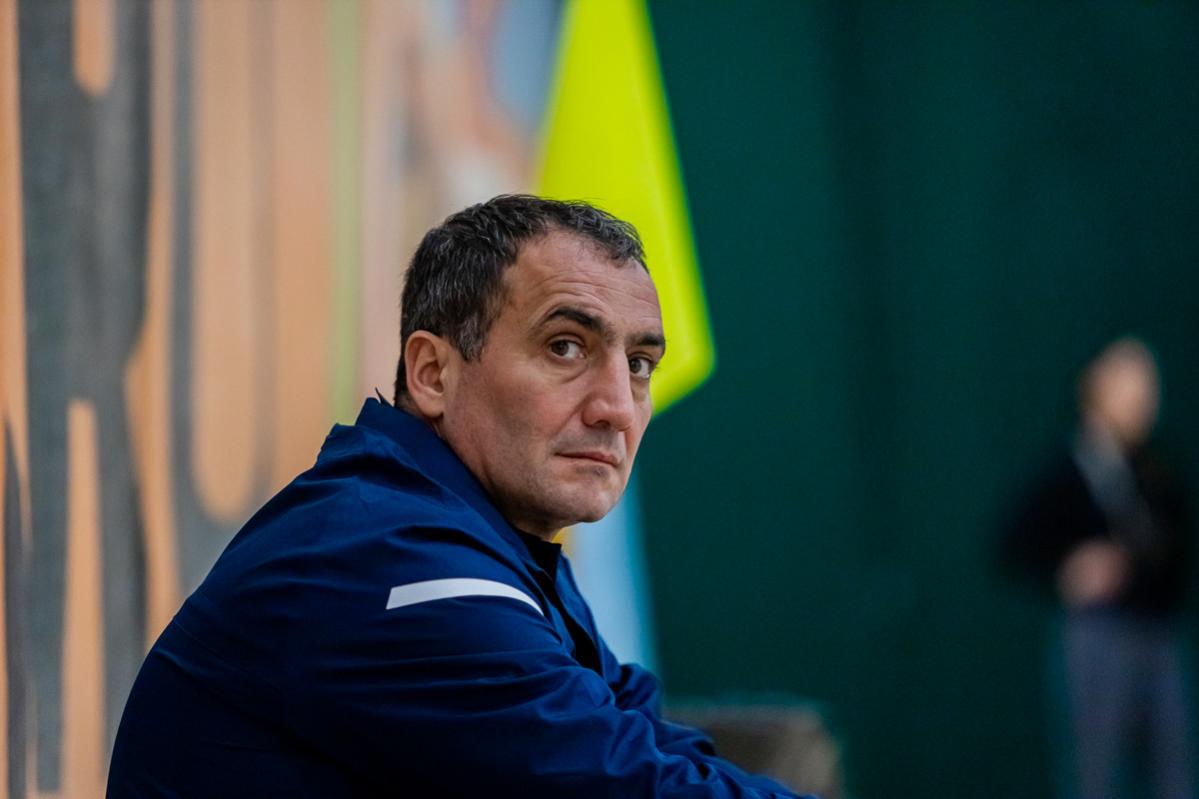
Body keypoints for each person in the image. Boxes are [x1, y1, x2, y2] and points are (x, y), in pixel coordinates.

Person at [107, 195, 812, 798]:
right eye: (565, 347)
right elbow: (630, 784)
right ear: (432, 373)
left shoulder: (497, 546)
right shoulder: (387, 554)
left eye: (637, 364)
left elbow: (652, 743)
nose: (617, 408)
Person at [1003, 337, 1194, 799]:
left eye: (1148, 387)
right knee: (1098, 770)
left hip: (1158, 633)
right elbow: (1015, 543)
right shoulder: (1067, 471)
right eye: (1132, 385)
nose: (1144, 400)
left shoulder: (1155, 469)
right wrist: (1069, 570)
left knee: (1173, 768)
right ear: (1097, 388)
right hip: (1100, 636)